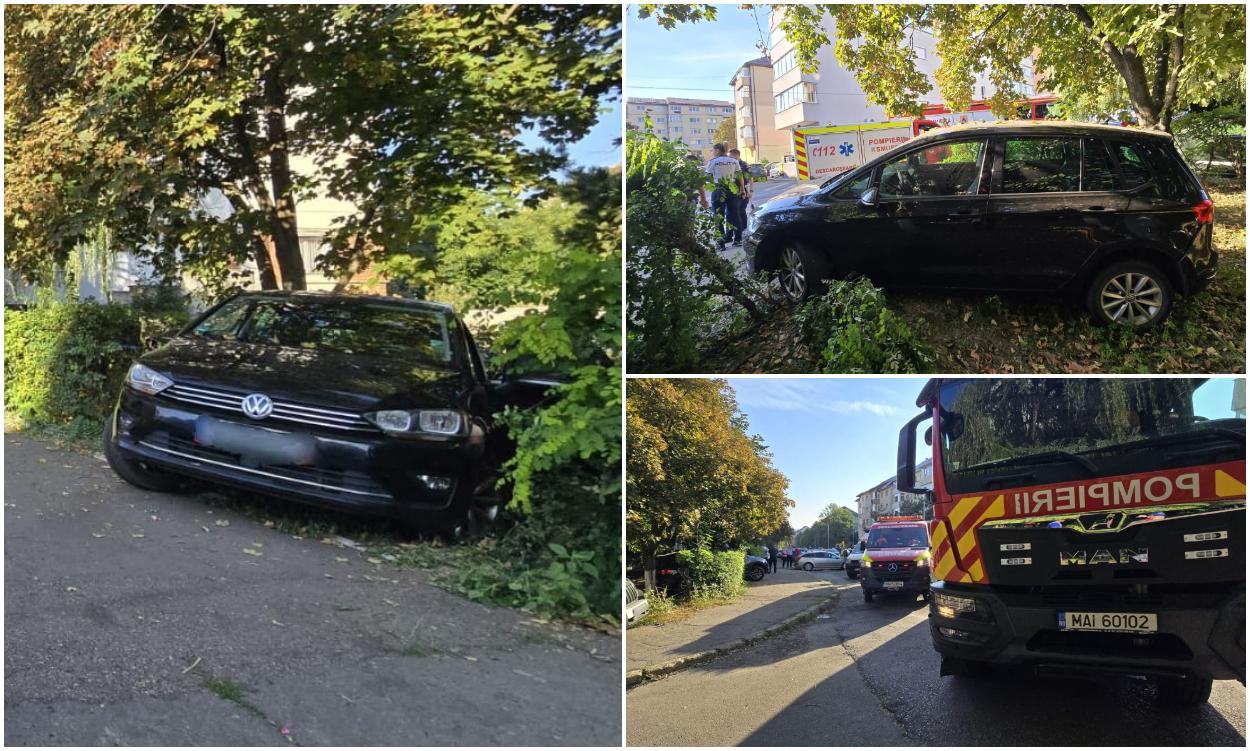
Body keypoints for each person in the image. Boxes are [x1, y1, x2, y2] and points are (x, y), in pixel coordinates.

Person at [699, 143, 746, 249]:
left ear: (717, 150)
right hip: (732, 189)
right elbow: (740, 176)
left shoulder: (713, 162)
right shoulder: (734, 161)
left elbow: (706, 177)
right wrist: (742, 190)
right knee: (735, 215)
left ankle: (721, 244)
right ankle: (738, 240)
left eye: (713, 150)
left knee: (718, 217)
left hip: (718, 189)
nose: (712, 152)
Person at [728, 147, 753, 231]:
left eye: (730, 156)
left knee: (741, 211)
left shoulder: (745, 165)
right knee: (733, 212)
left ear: (736, 155)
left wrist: (750, 191)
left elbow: (750, 178)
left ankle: (744, 229)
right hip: (732, 190)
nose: (729, 158)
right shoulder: (730, 164)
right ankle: (736, 230)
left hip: (743, 190)